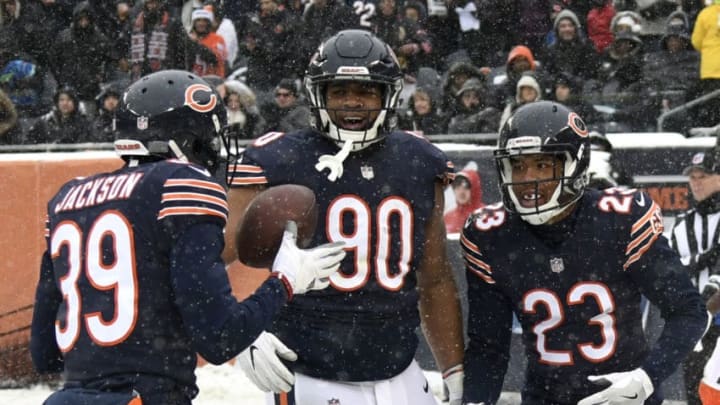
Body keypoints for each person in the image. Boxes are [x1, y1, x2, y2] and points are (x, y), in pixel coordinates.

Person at [29, 70, 346, 405]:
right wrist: (284, 280)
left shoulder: (70, 197)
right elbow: (219, 338)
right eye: (207, 138)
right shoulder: (182, 184)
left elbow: (46, 353)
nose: (213, 149)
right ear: (184, 139)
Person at [223, 29, 465, 404]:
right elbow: (206, 256)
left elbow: (433, 279)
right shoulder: (279, 158)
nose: (353, 102)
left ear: (389, 94)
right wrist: (243, 329)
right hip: (310, 371)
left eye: (366, 91)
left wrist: (452, 367)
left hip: (400, 369)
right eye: (339, 91)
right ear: (318, 94)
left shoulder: (418, 160)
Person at [461, 101, 708, 405]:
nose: (527, 179)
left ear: (574, 164)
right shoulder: (492, 235)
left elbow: (688, 312)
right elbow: (488, 346)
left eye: (542, 165)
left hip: (623, 398)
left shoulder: (619, 218)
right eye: (518, 165)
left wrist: (646, 378)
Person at [670, 148, 720, 405]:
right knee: (696, 393)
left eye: (704, 175)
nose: (696, 182)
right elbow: (672, 270)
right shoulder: (681, 225)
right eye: (693, 177)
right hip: (696, 325)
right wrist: (709, 256)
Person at [444, 163, 484, 234]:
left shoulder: (485, 215)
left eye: (466, 188)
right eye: (457, 188)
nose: (461, 192)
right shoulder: (447, 217)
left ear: (474, 189)